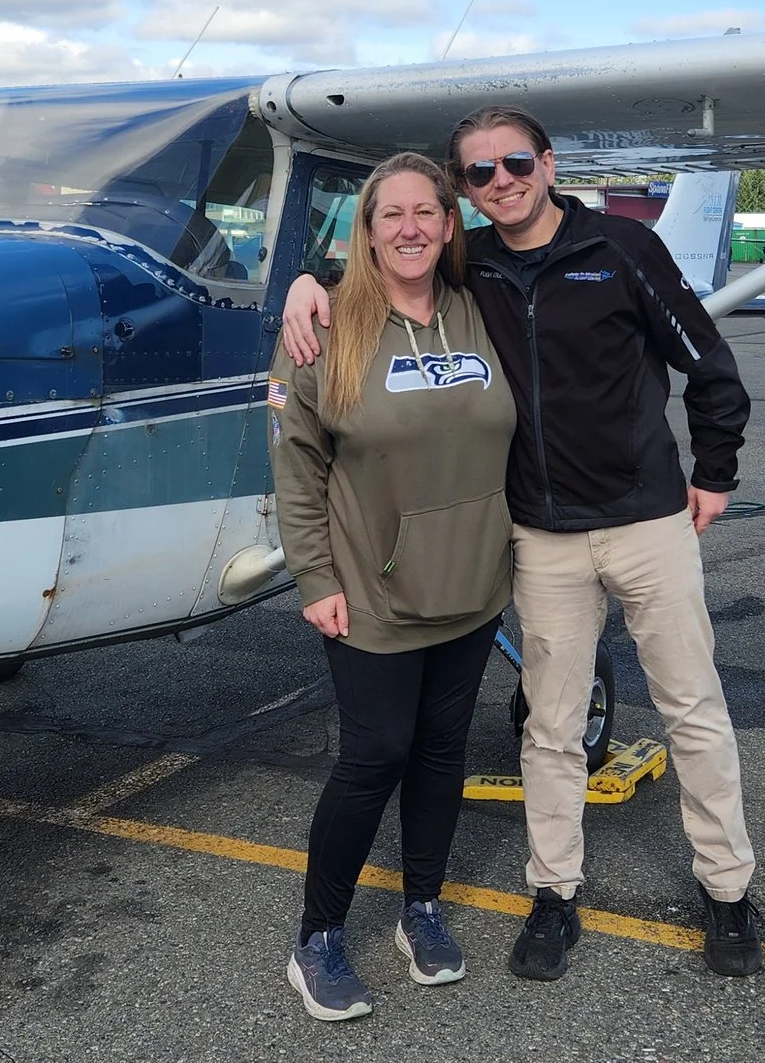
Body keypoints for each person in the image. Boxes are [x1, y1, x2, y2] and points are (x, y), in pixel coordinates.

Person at [282, 105, 764, 981]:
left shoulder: (623, 249)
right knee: (550, 725)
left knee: (693, 708)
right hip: (539, 538)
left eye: (513, 164)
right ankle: (553, 893)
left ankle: (727, 891)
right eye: (478, 174)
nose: (498, 182)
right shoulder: (478, 272)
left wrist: (715, 471)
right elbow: (392, 257)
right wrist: (306, 281)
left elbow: (708, 360)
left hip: (646, 518)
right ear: (466, 190)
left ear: (547, 165)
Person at [269, 152, 518, 1023]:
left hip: (475, 586)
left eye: (427, 212)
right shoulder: (325, 329)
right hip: (370, 594)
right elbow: (296, 470)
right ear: (364, 230)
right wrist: (313, 576)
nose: (409, 227)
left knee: (444, 754)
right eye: (390, 214)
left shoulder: (481, 307)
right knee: (372, 758)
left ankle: (421, 907)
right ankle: (320, 937)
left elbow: (540, 229)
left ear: (451, 226)